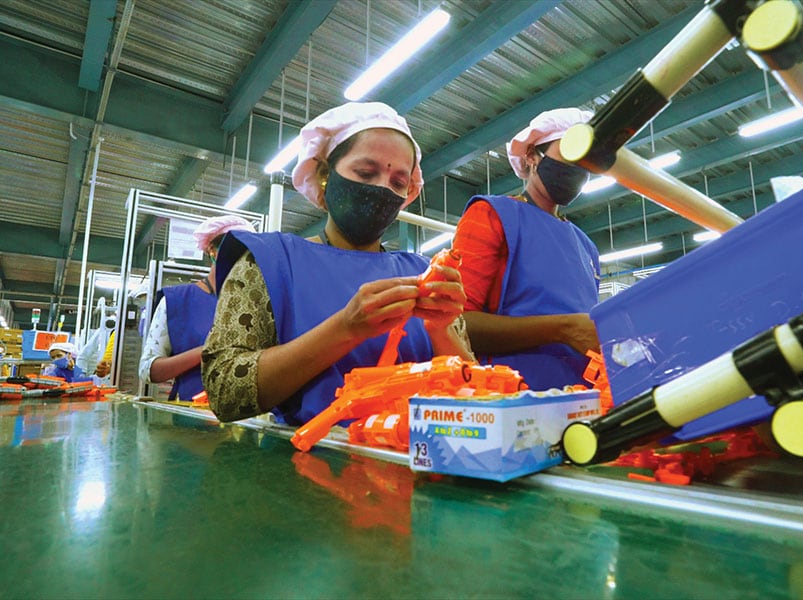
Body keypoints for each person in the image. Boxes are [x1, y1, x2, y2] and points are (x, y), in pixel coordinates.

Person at [202, 101, 472, 425]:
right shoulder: (270, 263)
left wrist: (440, 330)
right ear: (326, 175)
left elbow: (474, 391)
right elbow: (225, 391)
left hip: (423, 462)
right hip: (305, 465)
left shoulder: (424, 274)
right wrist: (345, 329)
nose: (382, 188)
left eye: (398, 182)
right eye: (365, 172)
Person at [453, 107, 602, 391]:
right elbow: (457, 324)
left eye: (587, 160)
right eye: (570, 153)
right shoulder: (493, 215)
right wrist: (564, 329)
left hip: (581, 395)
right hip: (513, 399)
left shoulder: (586, 246)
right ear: (532, 156)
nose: (579, 169)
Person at [139, 215, 256, 401]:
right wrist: (207, 352)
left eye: (247, 252)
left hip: (245, 419)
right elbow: (148, 370)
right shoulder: (176, 301)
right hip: (191, 417)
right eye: (233, 250)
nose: (239, 258)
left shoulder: (256, 303)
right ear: (212, 251)